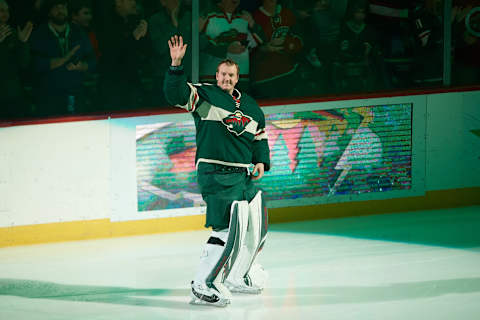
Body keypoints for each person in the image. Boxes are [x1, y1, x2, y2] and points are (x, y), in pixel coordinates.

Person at [164, 35, 270, 307]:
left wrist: (260, 160)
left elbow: (259, 137)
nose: (226, 78)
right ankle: (203, 283)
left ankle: (238, 275)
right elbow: (175, 94)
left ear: (237, 77)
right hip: (215, 172)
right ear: (217, 75)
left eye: (231, 75)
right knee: (227, 229)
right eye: (222, 74)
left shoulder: (250, 106)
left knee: (256, 223)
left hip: (242, 175)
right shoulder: (205, 95)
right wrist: (176, 65)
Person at [29, 0, 95, 117]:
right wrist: (63, 60)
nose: (60, 10)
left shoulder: (78, 32)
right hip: (48, 95)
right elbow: (34, 64)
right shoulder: (39, 34)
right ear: (49, 12)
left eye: (63, 7)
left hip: (75, 92)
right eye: (56, 7)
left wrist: (82, 66)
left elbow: (92, 61)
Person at [0, 0, 32, 119]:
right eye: (1, 10)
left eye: (7, 10)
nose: (5, 13)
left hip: (13, 94)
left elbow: (23, 64)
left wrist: (23, 43)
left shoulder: (13, 33)